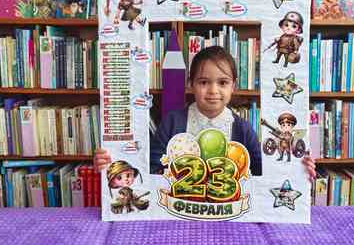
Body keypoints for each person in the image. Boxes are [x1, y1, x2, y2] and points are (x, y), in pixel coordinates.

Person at [95, 46, 316, 180]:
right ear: (190, 84)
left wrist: (295, 169)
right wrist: (115, 164)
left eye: (222, 82)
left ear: (233, 86)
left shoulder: (242, 128)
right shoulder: (172, 122)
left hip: (230, 214)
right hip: (178, 211)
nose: (213, 90)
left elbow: (262, 171)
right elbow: (150, 167)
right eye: (203, 82)